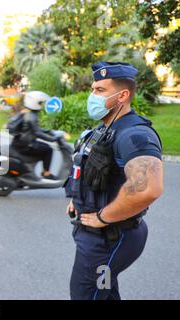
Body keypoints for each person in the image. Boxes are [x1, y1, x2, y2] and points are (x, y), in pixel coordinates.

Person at [64, 61, 164, 300]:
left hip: (110, 239)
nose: (92, 96)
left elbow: (148, 188)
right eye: (92, 89)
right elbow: (90, 172)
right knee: (104, 292)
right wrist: (76, 200)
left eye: (100, 90)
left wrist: (102, 217)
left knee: (86, 295)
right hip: (94, 236)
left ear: (123, 95)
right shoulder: (103, 130)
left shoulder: (134, 134)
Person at [9, 91, 61, 180]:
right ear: (35, 103)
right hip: (26, 145)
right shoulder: (31, 116)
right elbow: (38, 133)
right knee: (48, 149)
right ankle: (46, 173)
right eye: (40, 103)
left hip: (20, 142)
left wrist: (49, 131)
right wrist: (53, 139)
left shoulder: (27, 112)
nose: (42, 105)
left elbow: (35, 129)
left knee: (43, 147)